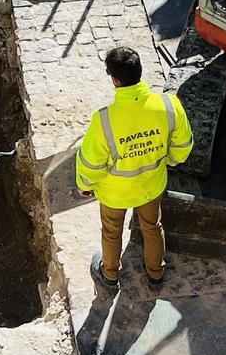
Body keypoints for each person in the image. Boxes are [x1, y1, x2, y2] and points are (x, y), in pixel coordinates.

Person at [76, 47, 194, 288]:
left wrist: (84, 185)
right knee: (152, 227)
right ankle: (155, 272)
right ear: (140, 71)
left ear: (114, 79)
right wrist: (167, 161)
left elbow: (90, 163)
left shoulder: (104, 120)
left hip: (114, 192)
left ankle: (110, 274)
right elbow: (183, 145)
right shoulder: (169, 104)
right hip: (151, 184)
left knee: (111, 232)